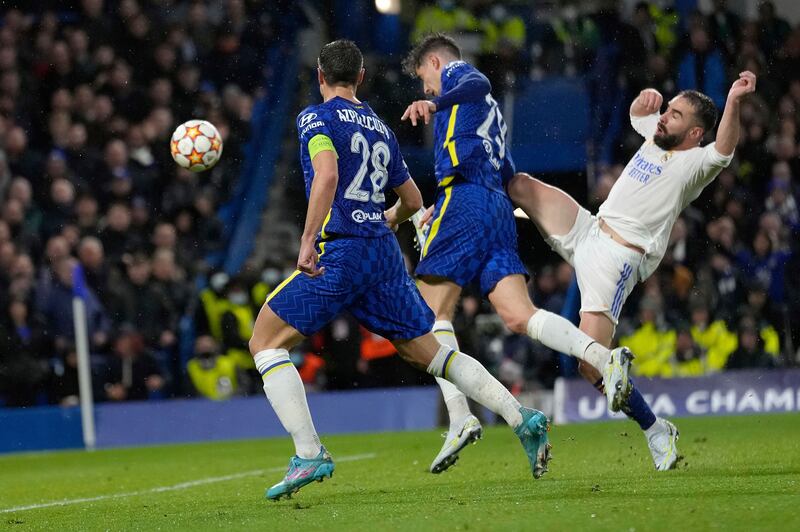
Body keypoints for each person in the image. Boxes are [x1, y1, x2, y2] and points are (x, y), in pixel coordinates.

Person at [250, 40, 551, 502]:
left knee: (265, 341)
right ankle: (520, 417)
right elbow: (412, 201)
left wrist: (308, 238)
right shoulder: (380, 128)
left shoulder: (315, 118)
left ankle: (309, 453)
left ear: (319, 76)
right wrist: (384, 220)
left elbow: (327, 174)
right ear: (363, 76)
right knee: (429, 353)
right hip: (382, 256)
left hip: (342, 249)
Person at [401, 33, 632, 474]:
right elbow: (503, 172)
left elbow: (477, 83)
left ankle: (461, 417)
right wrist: (448, 206)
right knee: (518, 315)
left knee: (427, 318)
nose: (426, 91)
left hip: (467, 200)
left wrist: (437, 105)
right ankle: (603, 358)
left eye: (424, 81)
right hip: (495, 208)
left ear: (435, 62)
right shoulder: (489, 118)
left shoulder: (460, 79)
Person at [505, 71, 757, 470]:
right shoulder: (656, 137)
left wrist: (734, 100)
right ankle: (459, 211)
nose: (665, 117)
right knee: (519, 185)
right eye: (669, 109)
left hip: (617, 258)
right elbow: (641, 114)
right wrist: (641, 105)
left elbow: (723, 149)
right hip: (588, 228)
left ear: (694, 133)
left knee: (589, 366)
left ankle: (656, 429)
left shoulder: (695, 163)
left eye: (675, 115)